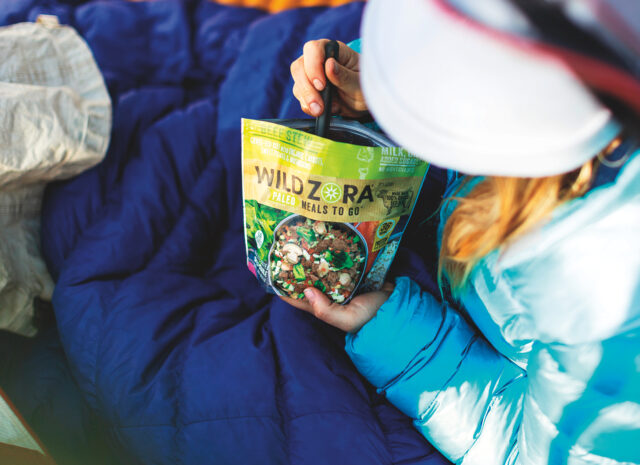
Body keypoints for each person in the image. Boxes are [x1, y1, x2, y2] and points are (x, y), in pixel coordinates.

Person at [287, 0, 640, 464]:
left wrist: (395, 332)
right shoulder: (538, 99)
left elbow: (537, 452)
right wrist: (382, 91)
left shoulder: (605, 299)